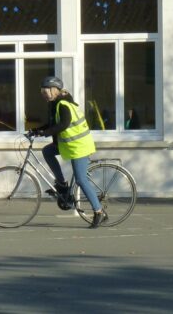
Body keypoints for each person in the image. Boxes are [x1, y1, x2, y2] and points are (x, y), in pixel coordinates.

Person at [31, 76, 107, 229]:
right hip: (68, 144)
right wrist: (36, 130)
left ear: (54, 90)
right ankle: (62, 184)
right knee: (47, 151)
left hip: (79, 146)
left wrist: (44, 134)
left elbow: (63, 125)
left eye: (46, 91)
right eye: (42, 92)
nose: (44, 94)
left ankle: (99, 212)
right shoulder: (55, 104)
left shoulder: (64, 104)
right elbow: (53, 124)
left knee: (81, 180)